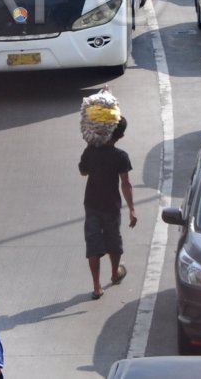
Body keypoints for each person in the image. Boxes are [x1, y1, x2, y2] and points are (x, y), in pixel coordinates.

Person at [78, 117, 137, 300]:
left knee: (93, 244)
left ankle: (96, 286)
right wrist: (132, 209)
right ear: (121, 136)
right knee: (114, 239)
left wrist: (89, 147)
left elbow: (83, 171)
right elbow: (125, 184)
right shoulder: (121, 156)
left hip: (92, 204)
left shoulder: (91, 151)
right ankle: (114, 273)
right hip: (111, 206)